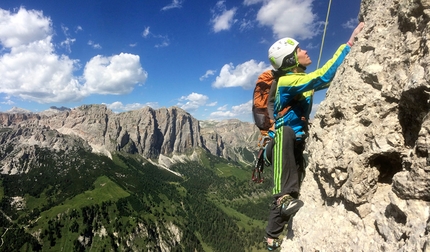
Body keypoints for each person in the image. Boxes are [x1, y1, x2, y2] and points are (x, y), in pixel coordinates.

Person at [263, 22, 365, 250]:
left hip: (296, 143)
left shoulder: (296, 81)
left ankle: (271, 237)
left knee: (295, 183)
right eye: (299, 50)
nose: (305, 51)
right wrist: (348, 45)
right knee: (285, 135)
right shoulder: (287, 81)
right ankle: (282, 200)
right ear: (290, 60)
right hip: (282, 141)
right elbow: (322, 78)